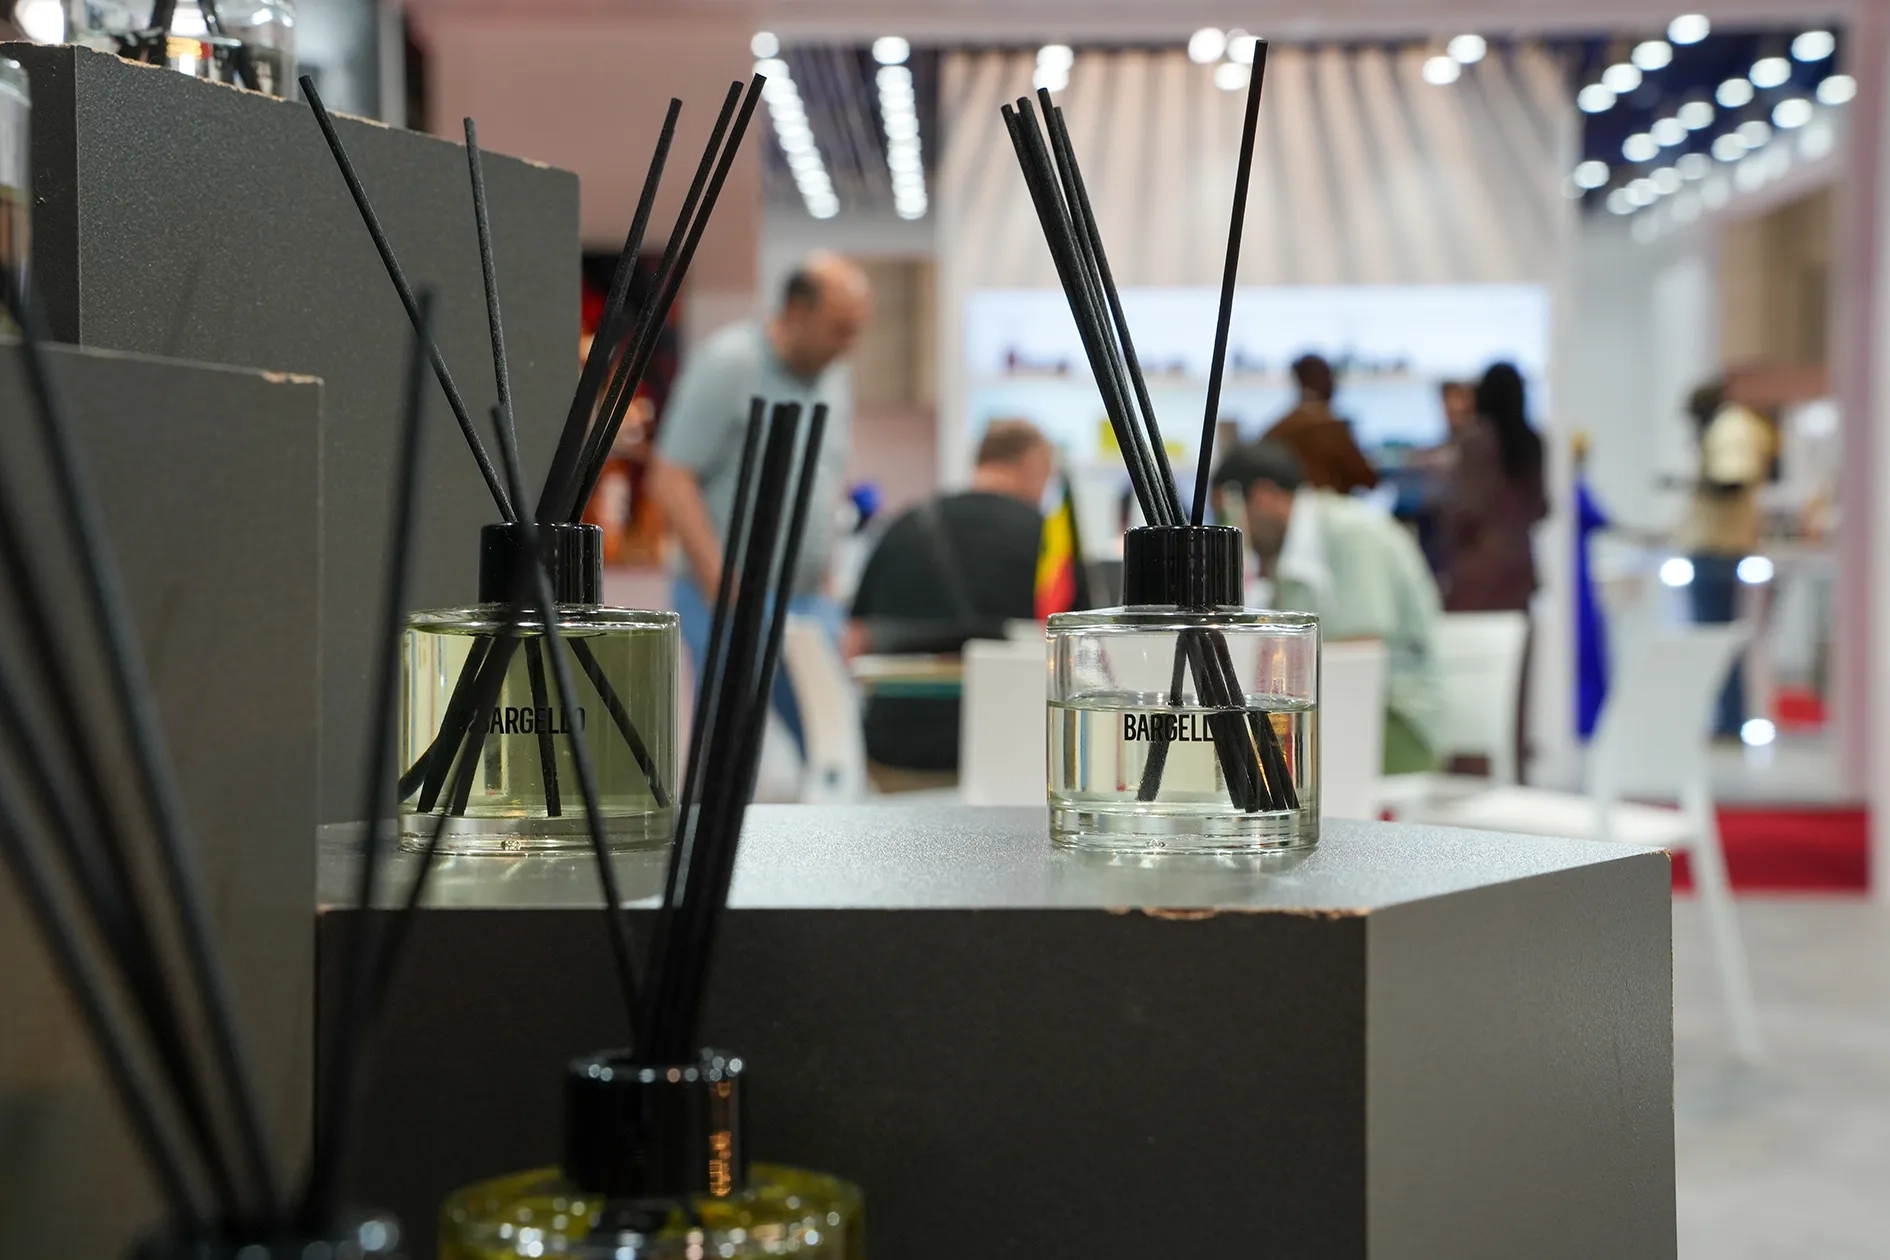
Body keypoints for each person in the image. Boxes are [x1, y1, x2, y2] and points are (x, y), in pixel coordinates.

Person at [648, 253, 872, 749]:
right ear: (797, 311)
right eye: (839, 330)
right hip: (728, 598)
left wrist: (828, 577)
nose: (848, 345)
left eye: (855, 331)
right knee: (725, 753)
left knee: (834, 745)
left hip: (808, 599)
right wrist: (719, 581)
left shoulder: (835, 377)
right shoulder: (730, 363)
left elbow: (825, 477)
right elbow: (670, 476)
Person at [845, 419, 1057, 783]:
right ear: (1033, 464)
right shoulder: (1051, 541)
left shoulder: (904, 526)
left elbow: (854, 642)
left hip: (899, 759)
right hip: (1016, 761)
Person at [1214, 440, 1443, 774]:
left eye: (1229, 514)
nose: (1232, 532)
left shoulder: (1351, 534)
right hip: (1345, 715)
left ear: (1264, 497)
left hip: (1397, 724)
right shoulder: (1291, 551)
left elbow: (1360, 657)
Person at [1683, 380, 1775, 738]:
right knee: (1719, 639)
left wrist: (1696, 485)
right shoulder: (1735, 427)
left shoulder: (1730, 428)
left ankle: (1729, 720)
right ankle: (1726, 718)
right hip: (1720, 548)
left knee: (1715, 640)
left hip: (1719, 550)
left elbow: (1732, 479)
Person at [1439, 362, 1547, 613]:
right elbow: (1541, 507)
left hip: (1480, 565)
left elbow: (1467, 508)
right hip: (1520, 563)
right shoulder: (1532, 442)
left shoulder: (1475, 441)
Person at [1261, 353, 1379, 495]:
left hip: (1289, 505)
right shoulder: (1332, 429)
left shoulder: (1278, 429)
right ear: (1321, 379)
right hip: (1332, 505)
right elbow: (1368, 479)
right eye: (1330, 377)